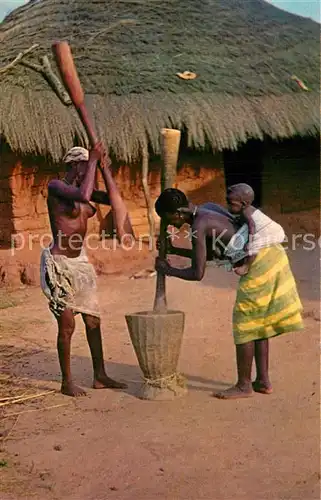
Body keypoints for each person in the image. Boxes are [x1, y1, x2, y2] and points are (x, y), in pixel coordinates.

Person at [154, 188, 304, 400]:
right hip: (272, 257)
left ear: (178, 212)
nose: (170, 225)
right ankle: (262, 381)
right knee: (258, 323)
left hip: (260, 263)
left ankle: (244, 385)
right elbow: (209, 256)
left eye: (168, 219)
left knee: (244, 324)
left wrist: (167, 270)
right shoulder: (207, 209)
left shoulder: (198, 225)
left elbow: (197, 273)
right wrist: (173, 250)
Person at [40, 144, 127, 397]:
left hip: (79, 262)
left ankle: (99, 375)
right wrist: (93, 162)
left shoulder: (87, 190)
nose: (87, 170)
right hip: (60, 265)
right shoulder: (56, 187)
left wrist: (104, 168)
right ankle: (67, 382)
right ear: (73, 165)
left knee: (92, 321)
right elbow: (81, 195)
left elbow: (113, 198)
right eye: (84, 164)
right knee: (67, 326)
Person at [225, 183, 286, 275]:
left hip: (270, 231)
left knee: (253, 246)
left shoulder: (246, 212)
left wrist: (250, 241)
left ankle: (246, 266)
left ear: (243, 204)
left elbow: (252, 227)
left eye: (231, 204)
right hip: (265, 228)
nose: (228, 207)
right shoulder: (245, 210)